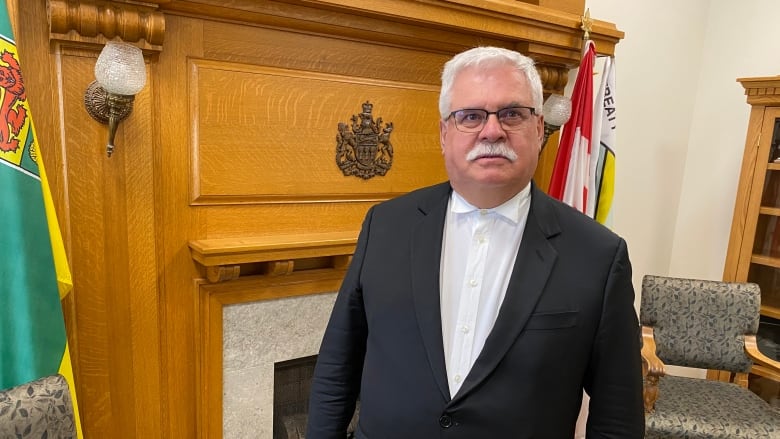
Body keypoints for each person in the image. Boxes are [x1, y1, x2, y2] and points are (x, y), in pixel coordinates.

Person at [307, 46, 645, 438]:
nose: (492, 130)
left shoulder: (598, 256)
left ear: (538, 129)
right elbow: (337, 365)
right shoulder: (385, 226)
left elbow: (618, 415)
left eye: (512, 114)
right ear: (444, 133)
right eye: (470, 116)